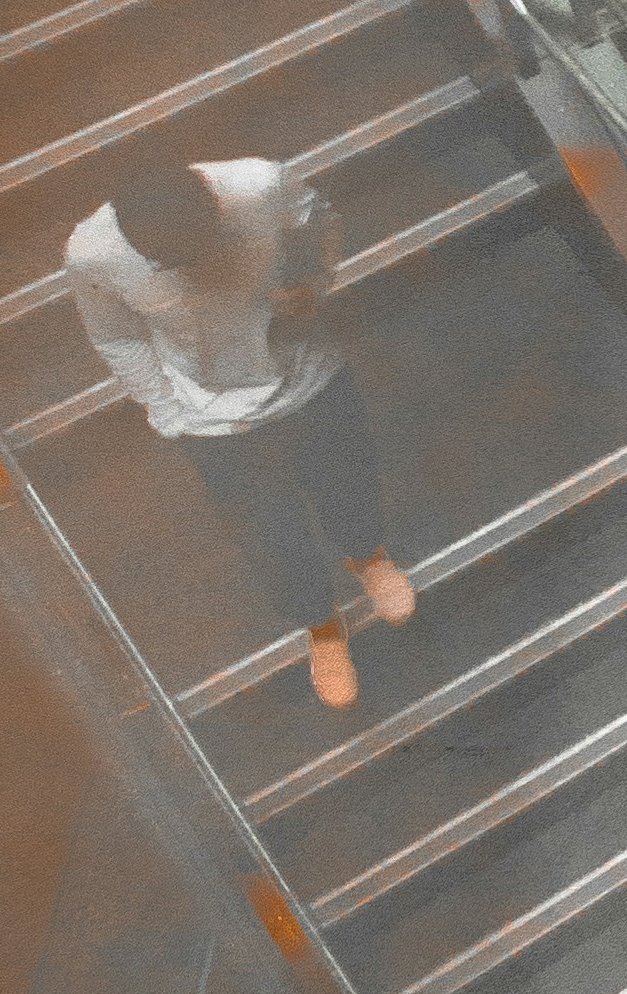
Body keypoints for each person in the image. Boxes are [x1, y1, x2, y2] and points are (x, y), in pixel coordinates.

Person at [63, 149, 417, 711]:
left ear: (216, 213)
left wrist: (312, 283)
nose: (186, 266)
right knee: (272, 537)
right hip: (213, 419)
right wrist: (169, 413)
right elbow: (118, 338)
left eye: (195, 252)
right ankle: (322, 629)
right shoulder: (92, 254)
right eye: (166, 262)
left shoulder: (259, 185)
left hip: (309, 376)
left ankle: (368, 556)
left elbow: (319, 219)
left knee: (349, 485)